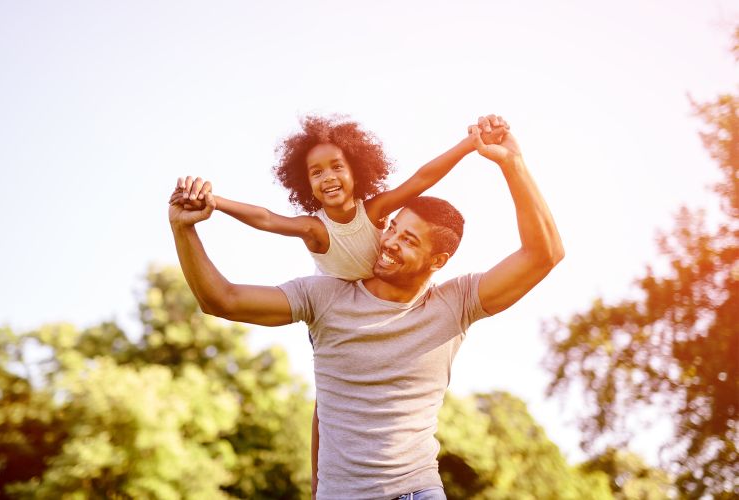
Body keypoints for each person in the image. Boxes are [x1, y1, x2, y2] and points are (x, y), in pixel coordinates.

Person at [169, 116, 564, 500]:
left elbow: (544, 254)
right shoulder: (325, 297)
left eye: (409, 240)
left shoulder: (455, 303)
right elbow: (221, 299)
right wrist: (184, 229)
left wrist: (512, 163)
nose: (390, 241)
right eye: (393, 227)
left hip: (419, 491)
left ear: (437, 261)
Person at [178, 114, 507, 281]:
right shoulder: (315, 229)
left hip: (383, 300)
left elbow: (421, 179)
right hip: (335, 315)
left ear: (357, 171)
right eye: (316, 173)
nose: (329, 178)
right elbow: (266, 218)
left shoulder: (374, 210)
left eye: (337, 167)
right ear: (306, 184)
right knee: (329, 393)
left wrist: (469, 145)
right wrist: (216, 202)